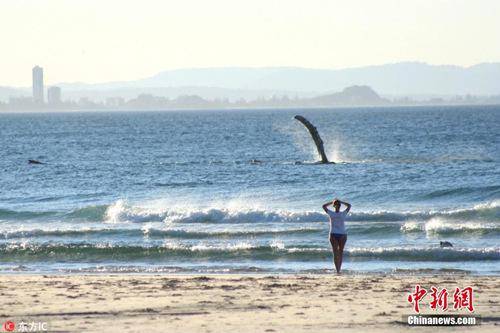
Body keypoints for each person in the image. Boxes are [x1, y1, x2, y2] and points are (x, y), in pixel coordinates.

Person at [322, 198, 351, 273]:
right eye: (336, 205)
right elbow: (324, 206)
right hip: (333, 234)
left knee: (340, 252)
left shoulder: (343, 213)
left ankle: (339, 269)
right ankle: (337, 270)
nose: (337, 206)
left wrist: (341, 201)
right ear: (334, 206)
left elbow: (349, 205)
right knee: (335, 252)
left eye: (338, 204)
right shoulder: (331, 213)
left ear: (340, 205)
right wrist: (332, 202)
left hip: (342, 234)